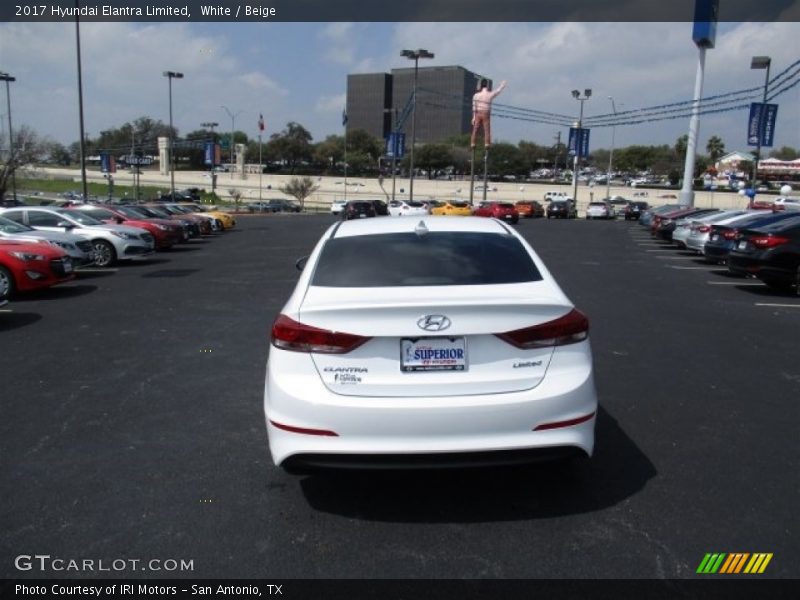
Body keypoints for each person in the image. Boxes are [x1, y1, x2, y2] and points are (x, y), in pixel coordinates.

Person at [471, 78, 507, 148]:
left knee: (475, 129)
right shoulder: (489, 94)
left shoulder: (476, 95)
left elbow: (474, 107)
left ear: (480, 86)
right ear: (487, 86)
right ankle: (487, 144)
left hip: (478, 112)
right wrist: (502, 86)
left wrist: (473, 117)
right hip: (486, 112)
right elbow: (497, 91)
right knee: (487, 129)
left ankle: (473, 143)